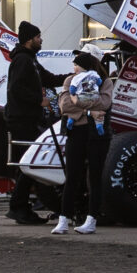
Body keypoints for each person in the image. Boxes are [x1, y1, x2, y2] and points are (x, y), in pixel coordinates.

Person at [51, 52, 113, 235]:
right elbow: (64, 106)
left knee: (94, 177)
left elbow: (105, 103)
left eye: (76, 64)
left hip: (97, 134)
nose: (73, 68)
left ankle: (91, 219)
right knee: (72, 176)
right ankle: (64, 218)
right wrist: (90, 112)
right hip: (76, 133)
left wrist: (80, 105)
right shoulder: (70, 80)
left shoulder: (104, 80)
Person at [3, 23, 52, 226]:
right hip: (22, 120)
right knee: (29, 163)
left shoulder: (30, 60)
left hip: (27, 119)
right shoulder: (23, 60)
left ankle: (20, 206)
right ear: (29, 39)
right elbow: (16, 89)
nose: (41, 40)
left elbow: (47, 78)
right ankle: (19, 207)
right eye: (38, 37)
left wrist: (72, 77)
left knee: (29, 162)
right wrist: (38, 100)